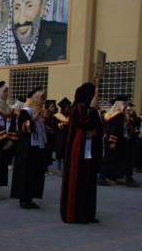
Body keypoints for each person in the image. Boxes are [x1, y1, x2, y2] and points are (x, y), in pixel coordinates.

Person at [60, 82, 103, 224]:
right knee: (78, 181)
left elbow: (97, 126)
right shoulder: (78, 108)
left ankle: (87, 212)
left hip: (88, 151)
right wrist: (92, 110)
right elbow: (84, 124)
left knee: (88, 181)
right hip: (78, 151)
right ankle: (75, 214)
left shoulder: (87, 109)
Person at [10, 86, 48, 209]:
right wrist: (34, 118)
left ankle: (31, 197)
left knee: (34, 172)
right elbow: (22, 128)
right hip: (27, 148)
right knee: (26, 172)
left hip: (37, 147)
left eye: (44, 99)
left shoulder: (40, 111)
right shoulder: (26, 111)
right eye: (42, 98)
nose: (43, 101)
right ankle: (23, 199)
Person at [97, 95, 139, 187]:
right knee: (110, 159)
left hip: (119, 141)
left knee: (119, 160)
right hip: (116, 141)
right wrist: (113, 141)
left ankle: (117, 177)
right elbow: (114, 129)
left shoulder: (116, 114)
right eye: (125, 104)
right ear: (122, 104)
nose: (126, 106)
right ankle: (102, 177)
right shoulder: (118, 115)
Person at [54, 97, 71, 176]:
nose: (67, 108)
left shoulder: (70, 116)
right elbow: (55, 126)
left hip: (67, 135)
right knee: (60, 153)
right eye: (66, 107)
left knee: (66, 153)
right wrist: (62, 124)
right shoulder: (57, 116)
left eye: (68, 107)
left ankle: (66, 168)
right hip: (60, 136)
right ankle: (59, 169)